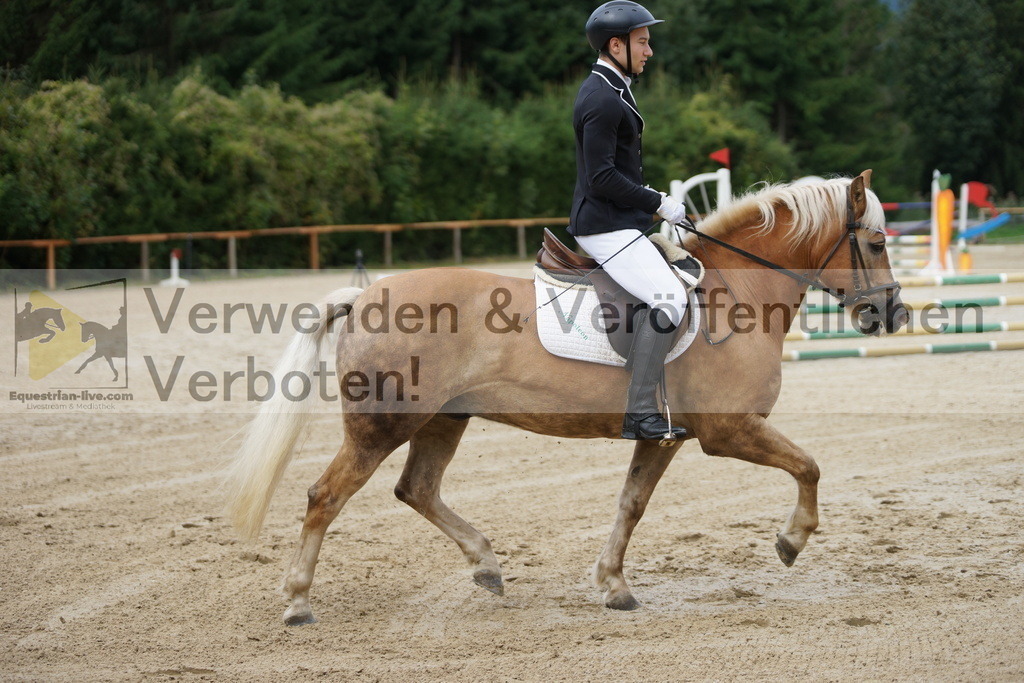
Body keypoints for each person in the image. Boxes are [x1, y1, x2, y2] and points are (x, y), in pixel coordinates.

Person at [569, 0, 689, 442]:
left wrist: (649, 203)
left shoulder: (614, 86)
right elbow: (601, 177)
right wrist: (656, 202)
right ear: (615, 44)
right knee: (669, 299)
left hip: (621, 220)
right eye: (642, 42)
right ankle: (639, 412)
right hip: (603, 225)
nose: (649, 51)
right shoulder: (601, 97)